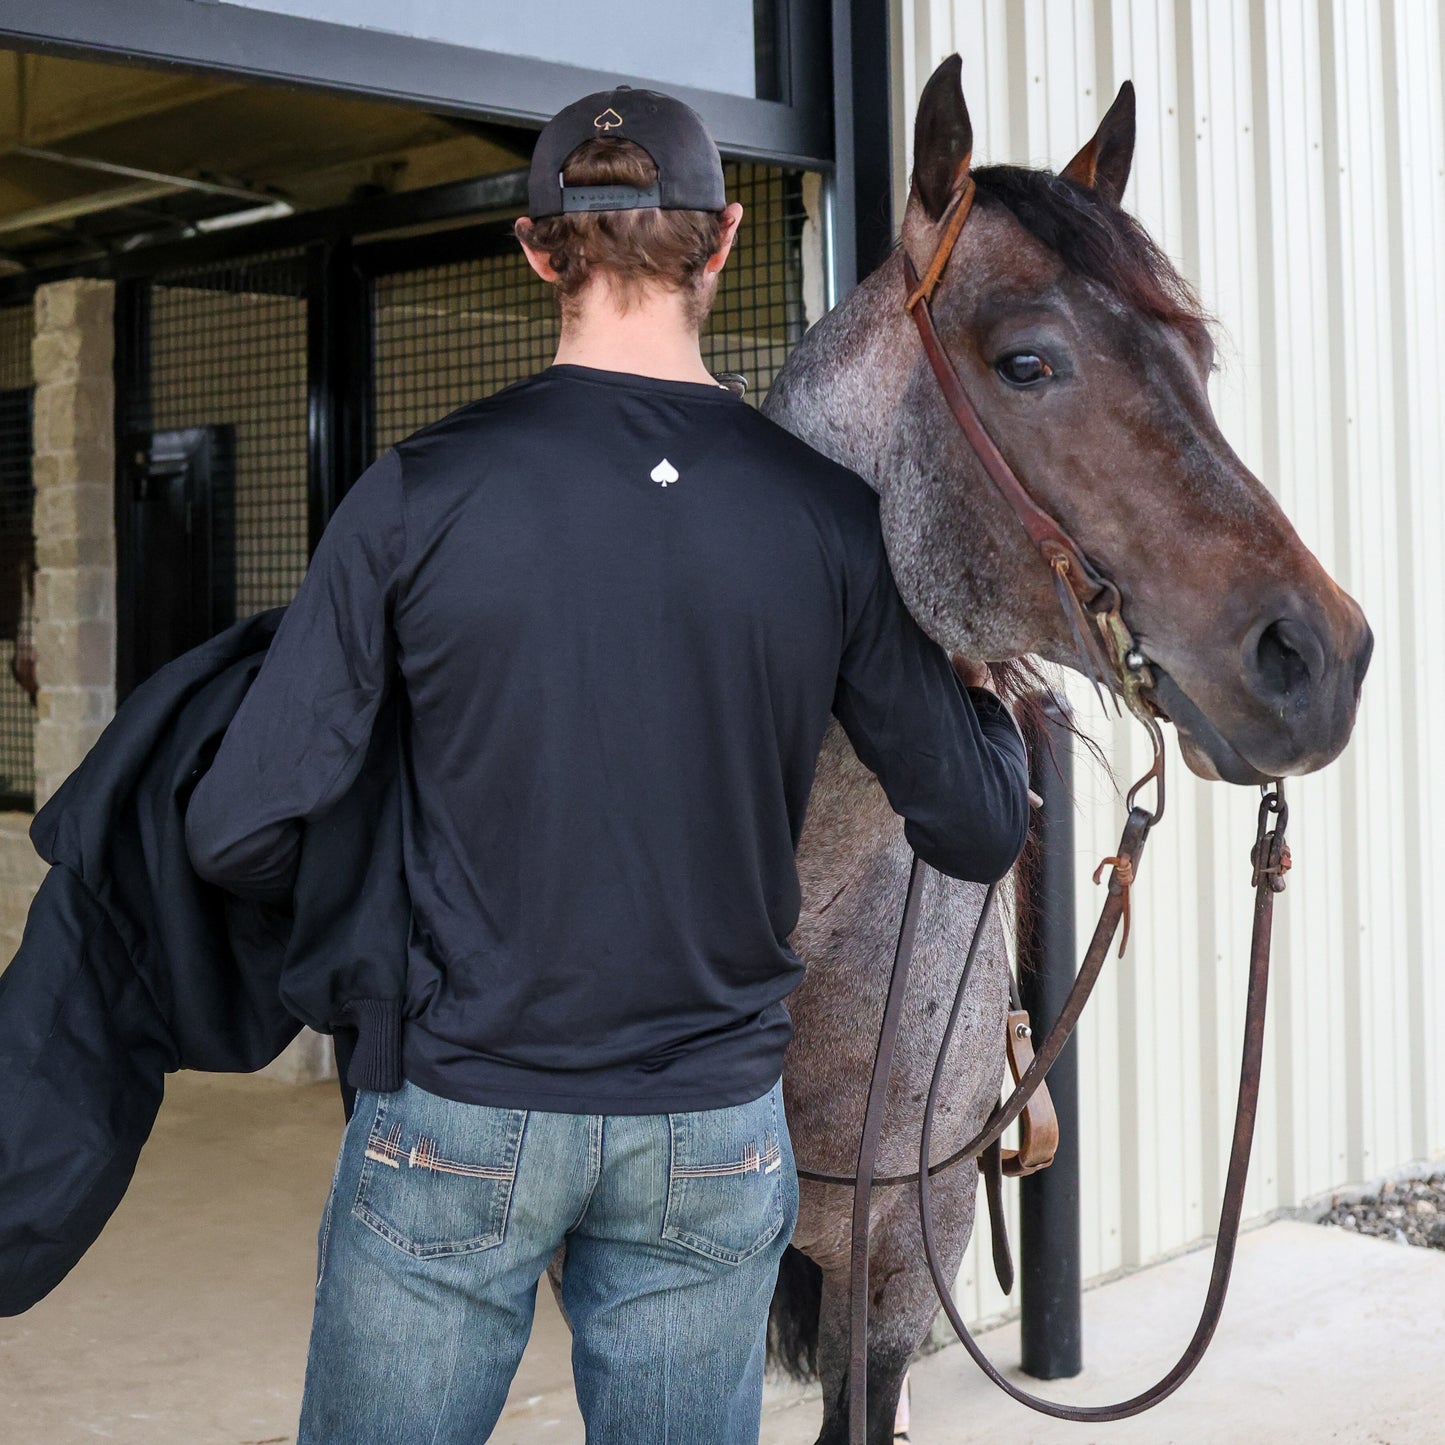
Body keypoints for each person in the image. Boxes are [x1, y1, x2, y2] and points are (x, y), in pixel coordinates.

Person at [183, 84, 1031, 1445]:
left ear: (535, 250)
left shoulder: (414, 493)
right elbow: (979, 827)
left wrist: (395, 925)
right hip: (710, 1128)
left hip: (457, 1100)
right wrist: (979, 676)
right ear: (724, 241)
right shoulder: (827, 522)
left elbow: (237, 827)